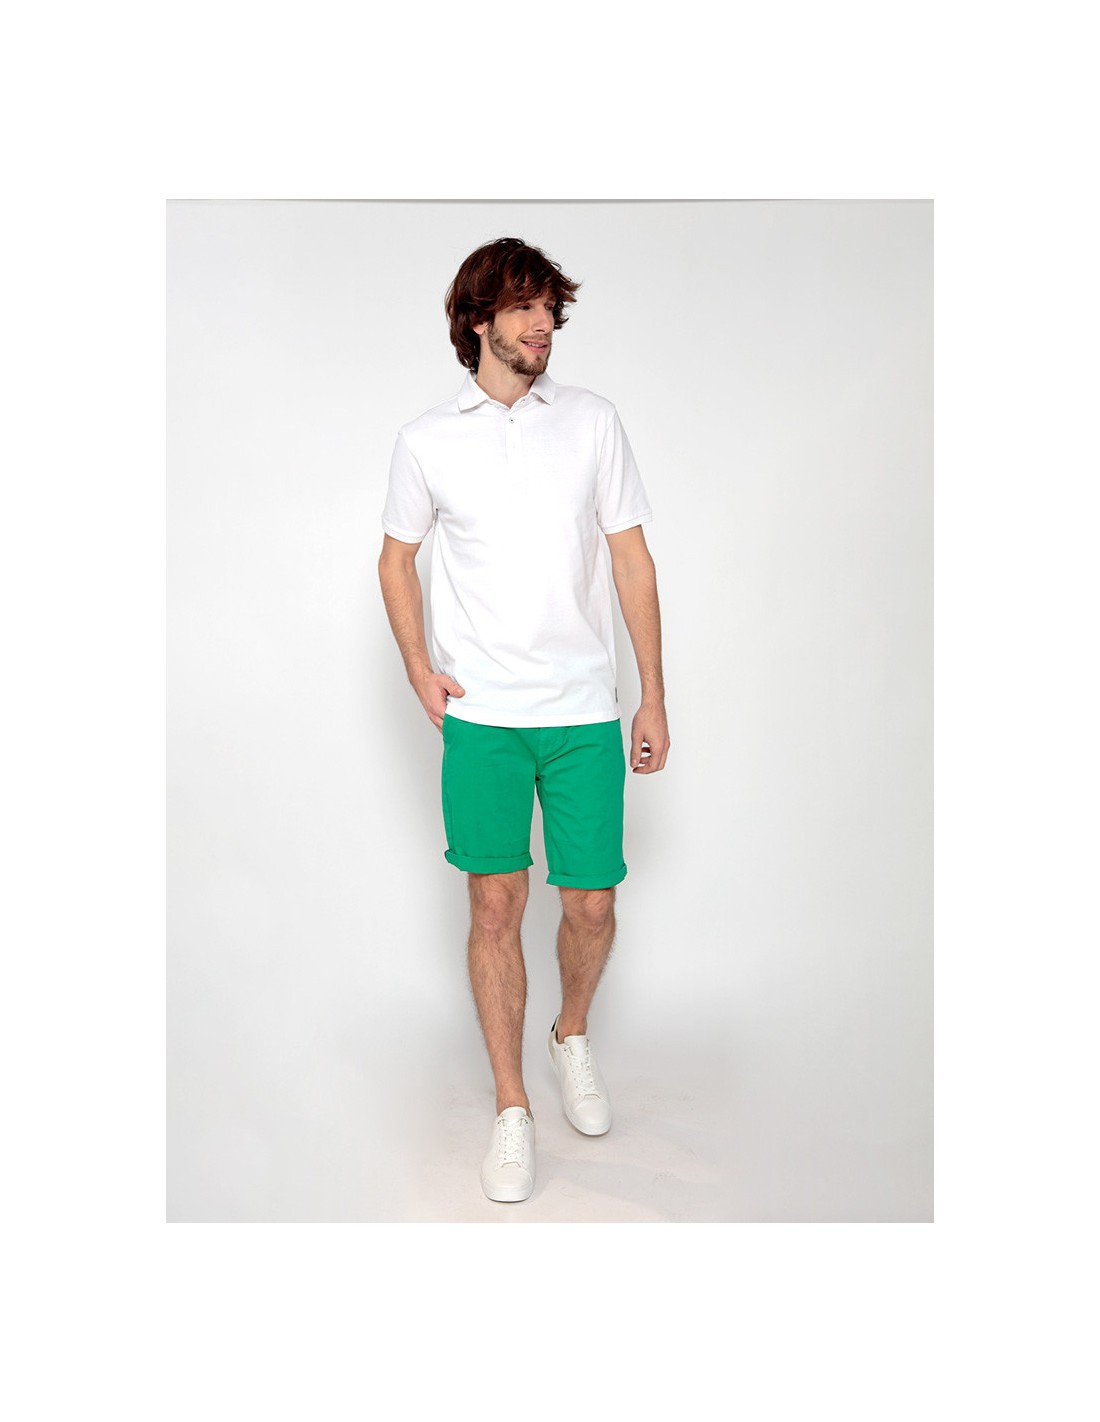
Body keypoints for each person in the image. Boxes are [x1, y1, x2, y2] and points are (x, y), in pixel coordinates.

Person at [377, 237, 669, 1203]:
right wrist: (420, 671)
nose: (545, 326)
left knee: (591, 904)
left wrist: (653, 694)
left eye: (551, 310)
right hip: (484, 719)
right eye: (526, 309)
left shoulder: (592, 423)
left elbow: (631, 558)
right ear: (479, 322)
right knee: (495, 907)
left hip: (584, 709)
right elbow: (396, 558)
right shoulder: (427, 440)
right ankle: (513, 1106)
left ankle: (569, 1034)